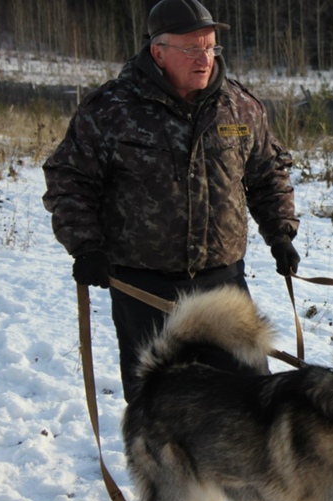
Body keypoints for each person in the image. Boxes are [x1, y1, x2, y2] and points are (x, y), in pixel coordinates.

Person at [43, 0, 300, 404]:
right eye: (192, 49)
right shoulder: (111, 109)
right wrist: (86, 245)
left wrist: (281, 233)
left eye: (211, 48)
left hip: (221, 283)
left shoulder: (240, 107)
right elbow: (69, 179)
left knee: (248, 400)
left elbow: (268, 173)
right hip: (142, 285)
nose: (205, 59)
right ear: (157, 52)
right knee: (159, 408)